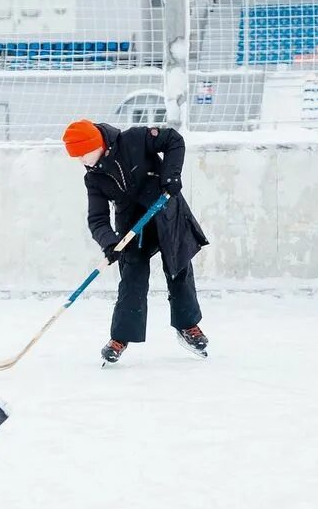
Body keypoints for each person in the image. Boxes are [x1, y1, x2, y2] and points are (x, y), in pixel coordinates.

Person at [62, 119, 210, 362]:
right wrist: (109, 242)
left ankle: (188, 326)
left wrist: (171, 176)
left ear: (97, 144)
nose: (81, 161)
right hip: (132, 226)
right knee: (132, 280)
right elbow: (97, 219)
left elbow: (174, 140)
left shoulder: (135, 139)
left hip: (165, 209)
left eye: (83, 154)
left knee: (179, 270)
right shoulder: (94, 178)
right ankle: (120, 337)